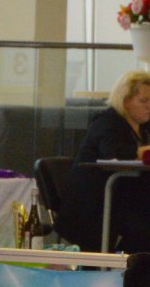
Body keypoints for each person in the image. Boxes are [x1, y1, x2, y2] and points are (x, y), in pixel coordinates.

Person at [55, 70, 150, 252]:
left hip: (124, 199)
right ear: (125, 100)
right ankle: (130, 262)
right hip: (95, 203)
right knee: (143, 225)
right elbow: (115, 152)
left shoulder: (145, 128)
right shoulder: (107, 121)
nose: (149, 107)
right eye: (144, 101)